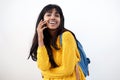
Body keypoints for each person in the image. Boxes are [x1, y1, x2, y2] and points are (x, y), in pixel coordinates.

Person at [28, 4, 86, 80]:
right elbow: (43, 66)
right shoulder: (44, 40)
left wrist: (46, 73)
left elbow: (67, 70)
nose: (52, 17)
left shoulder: (67, 36)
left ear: (61, 19)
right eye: (48, 15)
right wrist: (40, 39)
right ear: (42, 19)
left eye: (57, 15)